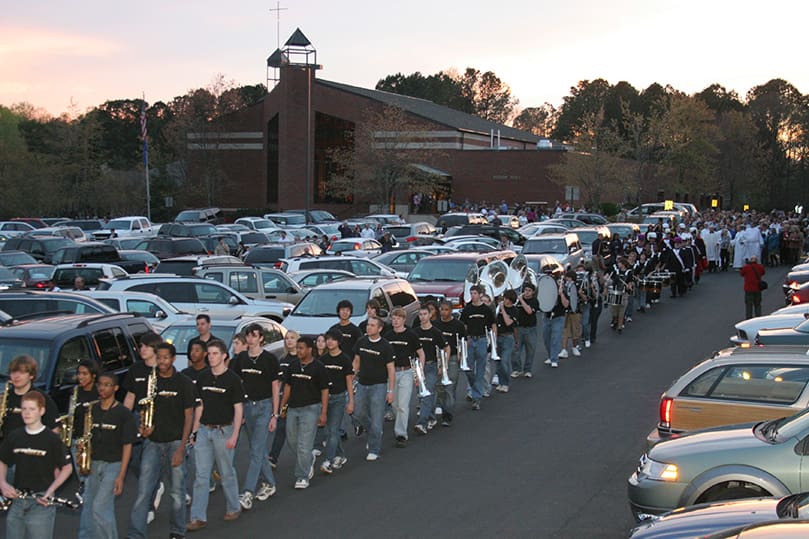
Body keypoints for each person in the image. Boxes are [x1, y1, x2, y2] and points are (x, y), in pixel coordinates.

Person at [127, 343, 196, 539]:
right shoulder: (150, 382)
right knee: (143, 491)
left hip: (175, 442)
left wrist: (182, 448)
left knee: (177, 493)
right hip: (153, 443)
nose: (162, 361)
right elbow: (144, 409)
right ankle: (135, 534)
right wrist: (143, 426)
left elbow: (189, 417)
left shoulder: (183, 383)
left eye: (166, 358)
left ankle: (177, 531)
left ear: (173, 359)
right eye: (159, 358)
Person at [188, 340, 245, 531]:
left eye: (215, 354)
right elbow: (200, 406)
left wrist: (235, 435)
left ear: (224, 356)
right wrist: (194, 431)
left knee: (226, 472)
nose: (211, 357)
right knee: (201, 475)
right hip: (204, 430)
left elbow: (238, 409)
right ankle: (198, 517)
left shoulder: (233, 380)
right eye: (209, 354)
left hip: (224, 431)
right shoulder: (203, 377)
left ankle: (233, 507)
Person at [0, 391, 73, 539]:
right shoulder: (15, 436)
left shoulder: (51, 439)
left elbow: (67, 467)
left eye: (32, 409)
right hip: (17, 502)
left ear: (42, 411)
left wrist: (51, 491)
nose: (27, 413)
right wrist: (3, 484)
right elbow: (2, 460)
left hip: (41, 503)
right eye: (24, 409)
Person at [79, 373, 137, 539]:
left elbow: (128, 445)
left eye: (107, 385)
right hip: (93, 464)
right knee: (89, 505)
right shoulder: (92, 409)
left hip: (114, 464)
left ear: (115, 388)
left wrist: (121, 476)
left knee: (100, 506)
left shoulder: (123, 414)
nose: (102, 388)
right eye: (100, 385)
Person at [230, 324, 280, 510]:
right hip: (247, 406)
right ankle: (270, 483)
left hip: (265, 406)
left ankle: (248, 492)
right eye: (248, 336)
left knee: (256, 450)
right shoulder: (241, 359)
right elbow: (235, 383)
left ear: (261, 339)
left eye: (254, 336)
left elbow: (275, 387)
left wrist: (275, 414)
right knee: (257, 450)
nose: (250, 339)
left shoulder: (269, 359)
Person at [280, 337, 329, 489]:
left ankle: (302, 476)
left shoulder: (319, 367)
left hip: (311, 408)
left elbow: (325, 390)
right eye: (297, 348)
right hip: (293, 408)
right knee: (292, 440)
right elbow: (287, 386)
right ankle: (308, 459)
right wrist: (283, 406)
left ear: (309, 349)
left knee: (304, 444)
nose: (298, 351)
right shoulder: (293, 365)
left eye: (301, 348)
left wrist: (323, 412)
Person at [352, 317, 395, 461]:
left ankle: (374, 448)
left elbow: (391, 369)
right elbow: (356, 362)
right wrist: (350, 379)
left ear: (380, 328)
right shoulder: (361, 342)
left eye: (372, 325)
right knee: (358, 413)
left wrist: (391, 390)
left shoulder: (385, 346)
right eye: (368, 325)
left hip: (379, 386)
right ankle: (373, 433)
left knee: (377, 420)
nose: (368, 327)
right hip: (362, 384)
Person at [383, 309, 424, 447]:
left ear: (404, 320)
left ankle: (401, 434)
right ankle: (399, 422)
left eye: (398, 318)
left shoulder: (411, 335)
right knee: (394, 403)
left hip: (406, 371)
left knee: (403, 404)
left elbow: (421, 353)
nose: (395, 321)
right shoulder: (387, 335)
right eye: (393, 318)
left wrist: (419, 373)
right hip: (392, 372)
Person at [0, 355, 60, 441]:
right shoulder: (4, 398)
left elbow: (54, 430)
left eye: (22, 373)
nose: (16, 376)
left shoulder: (42, 398)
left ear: (31, 375)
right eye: (13, 372)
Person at [318, 330, 354, 474]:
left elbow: (349, 382)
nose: (329, 342)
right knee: (329, 431)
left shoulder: (344, 359)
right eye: (328, 339)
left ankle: (328, 460)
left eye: (333, 339)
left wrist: (351, 401)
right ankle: (340, 455)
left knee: (333, 430)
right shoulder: (323, 360)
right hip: (325, 399)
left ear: (339, 342)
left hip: (339, 398)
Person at [460, 285, 496, 409]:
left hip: (481, 340)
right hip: (470, 340)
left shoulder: (486, 310)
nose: (473, 296)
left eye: (475, 293)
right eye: (471, 293)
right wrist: (464, 340)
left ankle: (476, 398)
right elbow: (463, 326)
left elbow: (492, 325)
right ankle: (474, 389)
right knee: (468, 369)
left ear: (480, 294)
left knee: (480, 370)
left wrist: (492, 342)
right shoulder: (467, 309)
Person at [413, 306, 448, 433]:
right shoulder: (415, 332)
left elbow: (446, 348)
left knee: (427, 393)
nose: (422, 316)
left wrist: (443, 366)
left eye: (424, 314)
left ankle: (422, 423)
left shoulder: (436, 332)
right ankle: (431, 417)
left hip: (432, 366)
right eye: (420, 314)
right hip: (418, 366)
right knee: (421, 394)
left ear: (430, 315)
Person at [432, 300, 466, 426]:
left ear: (451, 310)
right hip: (438, 358)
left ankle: (448, 415)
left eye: (446, 309)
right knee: (439, 387)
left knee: (450, 387)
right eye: (441, 309)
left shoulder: (458, 325)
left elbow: (463, 341)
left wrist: (461, 355)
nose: (443, 312)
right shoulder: (435, 324)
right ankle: (442, 406)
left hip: (452, 358)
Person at [268, 330, 298, 468]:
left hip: (300, 398)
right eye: (287, 338)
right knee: (281, 427)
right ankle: (273, 457)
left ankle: (305, 455)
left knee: (296, 431)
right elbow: (278, 381)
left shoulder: (301, 358)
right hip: (284, 399)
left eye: (292, 338)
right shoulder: (283, 359)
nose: (289, 341)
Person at [493, 290, 518, 393]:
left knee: (504, 361)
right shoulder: (497, 309)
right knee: (498, 362)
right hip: (498, 337)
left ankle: (506, 383)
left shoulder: (514, 310)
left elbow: (508, 323)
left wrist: (503, 309)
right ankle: (501, 382)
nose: (505, 300)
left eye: (507, 299)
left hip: (508, 337)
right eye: (505, 298)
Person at [542, 275, 569, 368]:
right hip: (547, 317)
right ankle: (550, 356)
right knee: (546, 338)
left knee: (555, 338)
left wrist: (561, 294)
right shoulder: (548, 291)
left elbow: (566, 305)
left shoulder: (564, 292)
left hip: (558, 317)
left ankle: (554, 359)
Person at [512, 283, 539, 378]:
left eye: (529, 291)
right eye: (525, 290)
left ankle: (527, 370)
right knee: (515, 350)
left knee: (530, 350)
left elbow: (529, 311)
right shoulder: (518, 301)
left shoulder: (534, 301)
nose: (526, 292)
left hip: (530, 329)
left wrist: (521, 300)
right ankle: (517, 369)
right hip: (518, 328)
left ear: (533, 292)